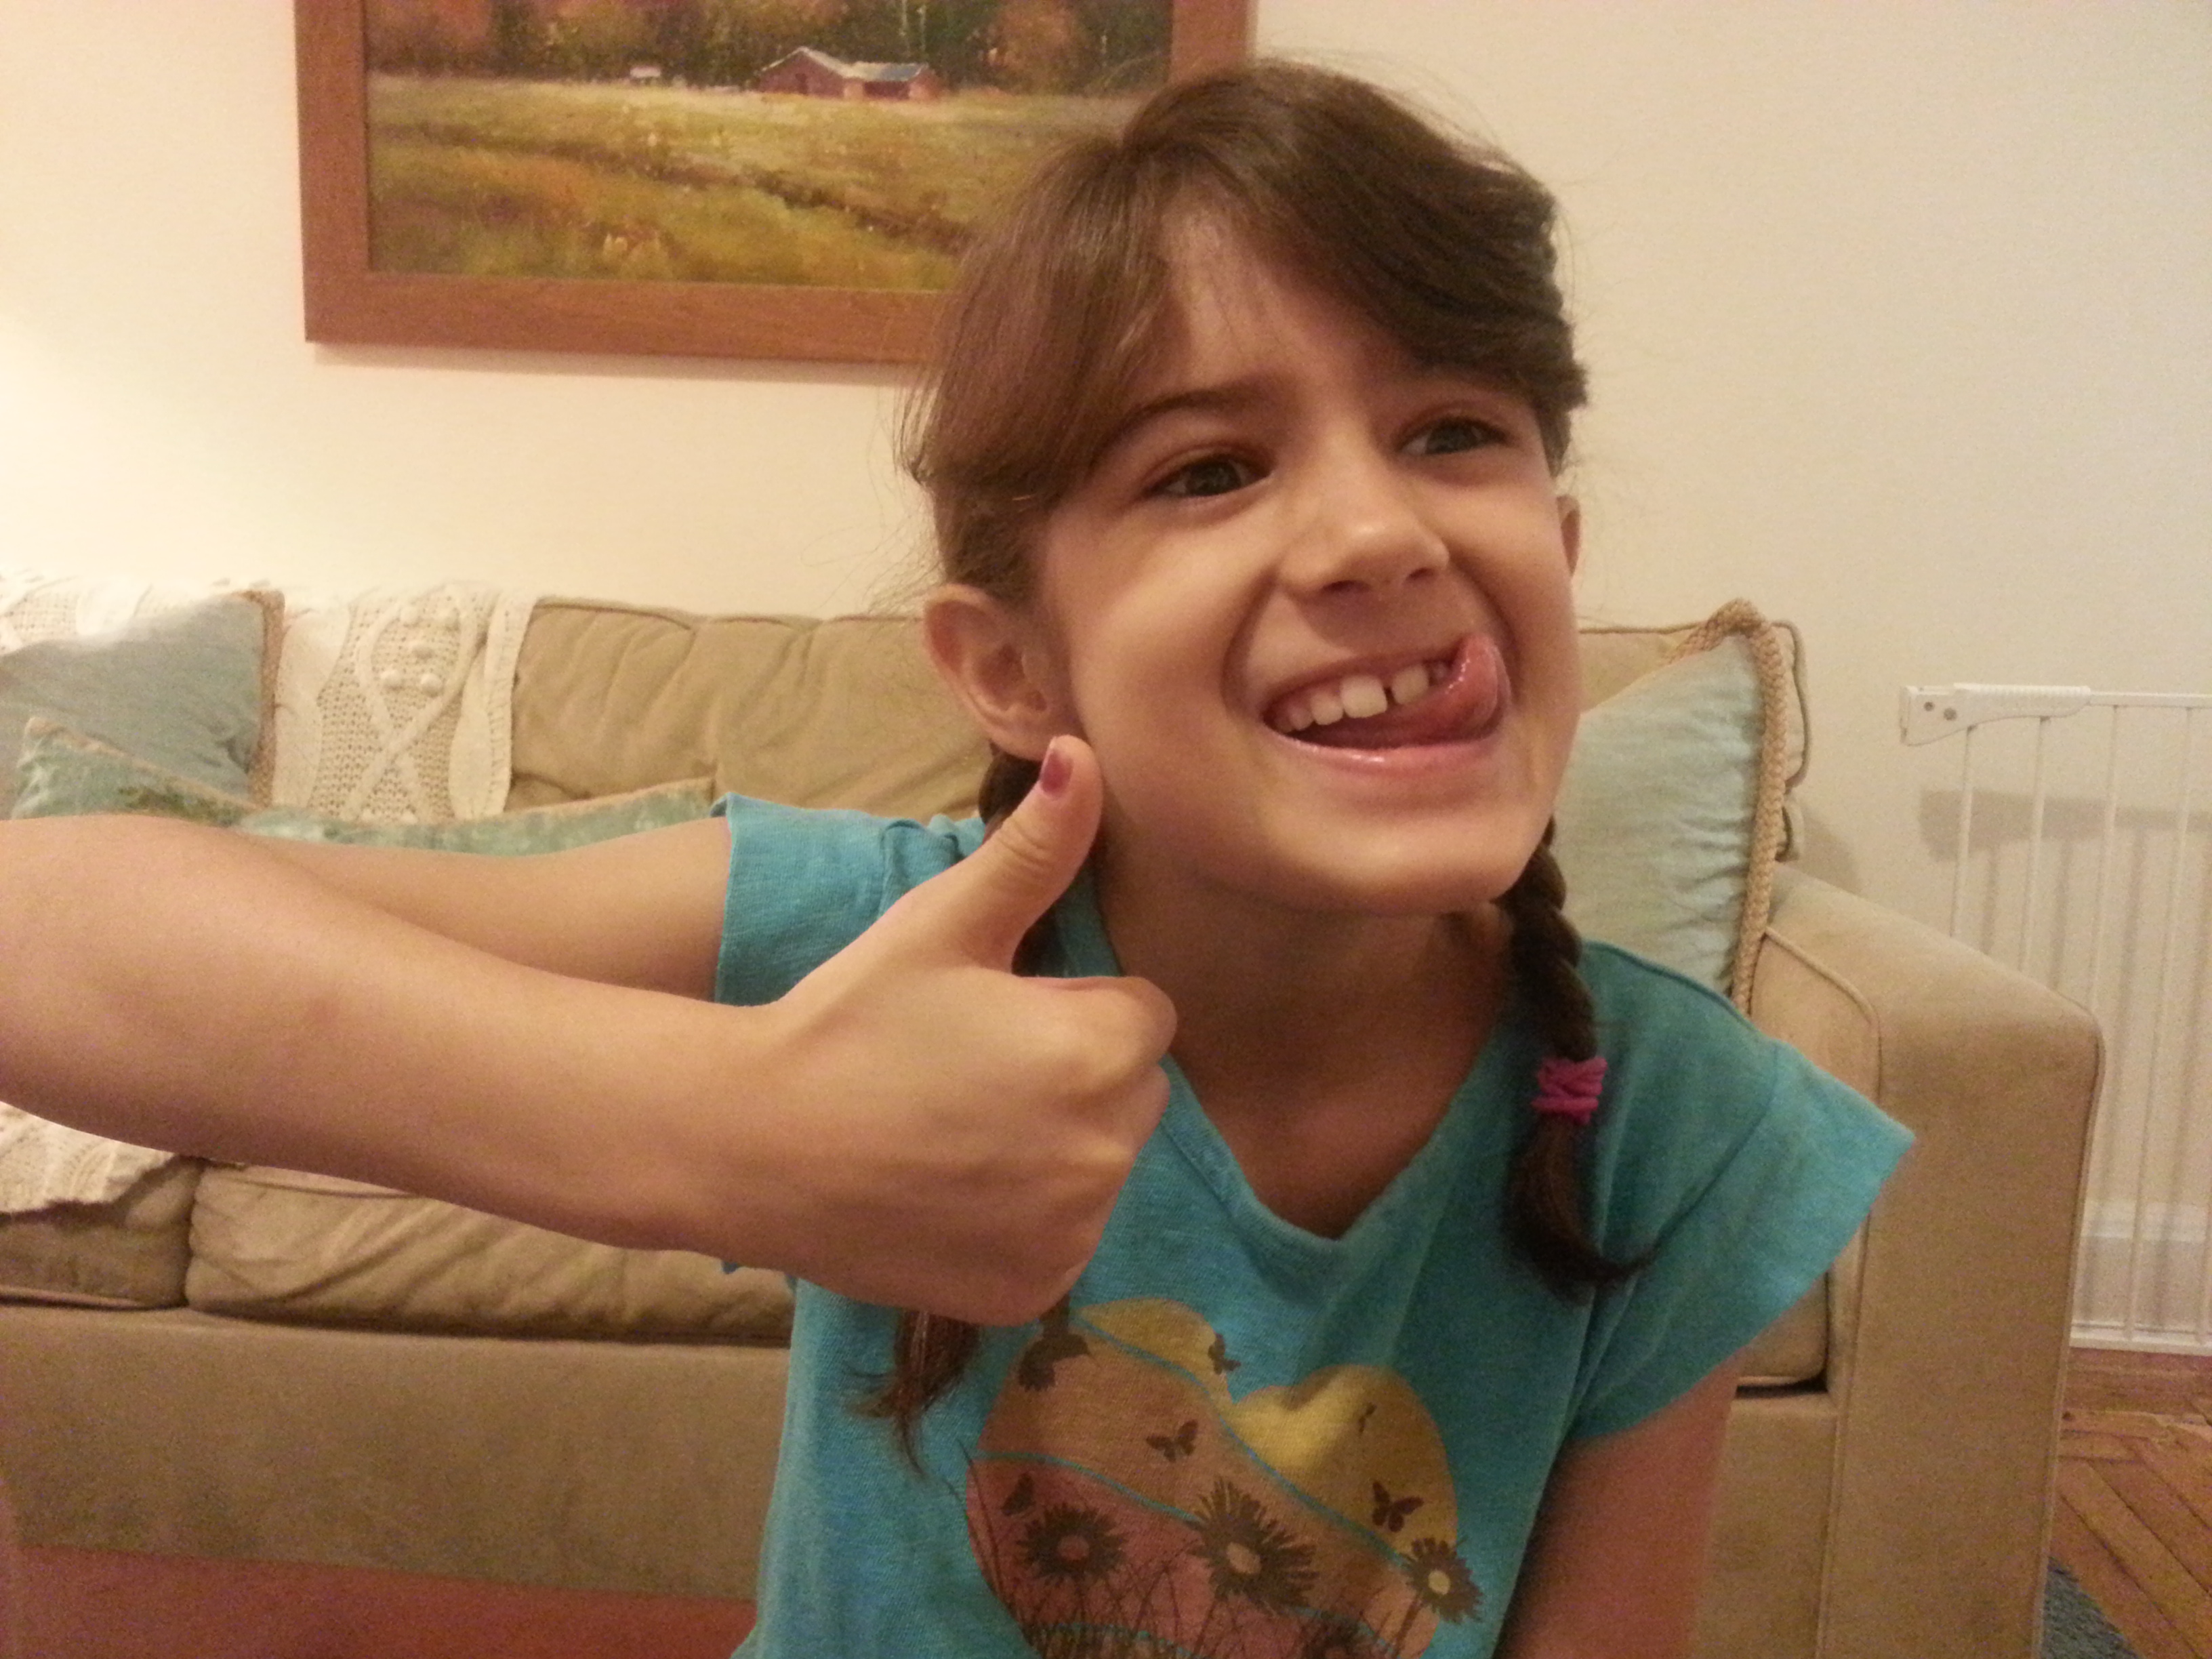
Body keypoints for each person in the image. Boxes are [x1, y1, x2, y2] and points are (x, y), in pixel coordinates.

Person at [0, 62, 1907, 1659]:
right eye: (1210, 468)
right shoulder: (872, 939)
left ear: (1557, 558)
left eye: (1453, 430)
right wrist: (729, 1126)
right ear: (1007, 668)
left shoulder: (1675, 1128)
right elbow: (46, 923)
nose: (1375, 531)